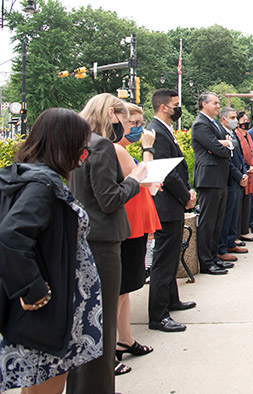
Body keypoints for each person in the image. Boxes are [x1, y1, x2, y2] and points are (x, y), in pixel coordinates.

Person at [0, 108, 102, 394]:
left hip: (55, 308)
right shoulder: (42, 186)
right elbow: (10, 237)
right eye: (82, 143)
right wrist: (32, 289)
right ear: (65, 142)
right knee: (46, 386)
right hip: (51, 310)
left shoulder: (33, 177)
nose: (85, 150)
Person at [67, 93, 148, 394]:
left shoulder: (79, 144)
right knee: (101, 322)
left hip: (86, 237)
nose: (127, 128)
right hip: (103, 240)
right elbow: (109, 199)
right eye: (126, 120)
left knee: (89, 321)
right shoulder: (101, 147)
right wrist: (135, 179)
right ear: (112, 115)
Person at [113, 103, 159, 375]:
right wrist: (147, 148)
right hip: (127, 225)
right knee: (119, 291)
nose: (139, 128)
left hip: (134, 222)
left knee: (126, 288)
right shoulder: (117, 149)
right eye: (134, 123)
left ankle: (125, 338)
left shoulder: (120, 149)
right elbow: (145, 176)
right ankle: (110, 350)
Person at [147, 89, 197, 334]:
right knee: (163, 261)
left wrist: (187, 190)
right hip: (166, 204)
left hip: (173, 203)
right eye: (176, 105)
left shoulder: (165, 130)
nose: (179, 108)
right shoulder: (156, 131)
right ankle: (158, 315)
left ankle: (172, 299)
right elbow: (165, 171)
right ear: (164, 107)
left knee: (171, 255)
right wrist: (185, 194)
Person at [191, 92, 232, 275]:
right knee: (208, 221)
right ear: (204, 104)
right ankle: (206, 261)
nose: (218, 105)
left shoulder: (214, 123)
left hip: (220, 177)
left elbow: (231, 143)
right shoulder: (200, 124)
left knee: (217, 220)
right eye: (214, 103)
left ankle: (214, 256)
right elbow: (217, 148)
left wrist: (224, 144)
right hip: (208, 178)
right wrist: (223, 145)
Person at [216, 107, 248, 263]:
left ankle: (230, 242)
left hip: (238, 177)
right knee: (227, 215)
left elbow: (239, 155)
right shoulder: (220, 133)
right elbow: (227, 160)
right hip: (229, 178)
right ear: (224, 119)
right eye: (233, 117)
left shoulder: (234, 133)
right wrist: (238, 175)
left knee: (234, 213)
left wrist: (244, 172)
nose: (236, 120)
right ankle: (222, 248)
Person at [235, 111, 253, 242]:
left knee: (246, 204)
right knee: (238, 206)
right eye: (242, 120)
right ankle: (237, 234)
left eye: (246, 119)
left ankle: (244, 231)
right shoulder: (236, 135)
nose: (245, 122)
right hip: (242, 172)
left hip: (250, 171)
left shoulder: (248, 135)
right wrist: (246, 168)